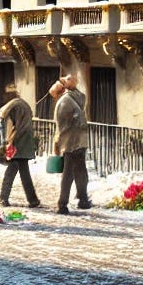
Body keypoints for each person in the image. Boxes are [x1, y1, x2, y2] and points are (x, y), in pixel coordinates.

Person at [51, 72, 91, 214]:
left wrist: (58, 142)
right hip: (76, 141)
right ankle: (74, 201)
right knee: (75, 172)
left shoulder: (69, 100)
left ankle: (72, 201)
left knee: (73, 173)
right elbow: (63, 125)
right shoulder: (73, 99)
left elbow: (61, 126)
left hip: (73, 141)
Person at [0, 83, 40, 209]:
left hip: (19, 143)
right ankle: (33, 200)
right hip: (23, 143)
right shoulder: (21, 104)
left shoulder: (16, 106)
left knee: (10, 172)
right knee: (24, 173)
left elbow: (18, 127)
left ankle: (3, 198)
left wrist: (11, 141)